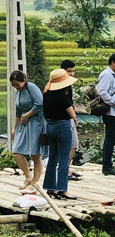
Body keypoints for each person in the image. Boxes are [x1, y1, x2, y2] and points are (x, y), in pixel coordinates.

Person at [42, 69, 78, 200]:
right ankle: (62, 189)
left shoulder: (46, 94)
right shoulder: (62, 96)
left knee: (52, 158)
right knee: (63, 159)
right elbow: (71, 112)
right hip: (62, 127)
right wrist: (74, 116)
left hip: (50, 127)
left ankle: (50, 187)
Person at [8, 70, 44, 193]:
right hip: (23, 123)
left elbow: (40, 104)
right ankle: (28, 176)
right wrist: (14, 127)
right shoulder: (17, 93)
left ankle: (35, 181)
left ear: (24, 81)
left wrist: (28, 115)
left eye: (17, 84)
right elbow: (18, 112)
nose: (16, 87)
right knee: (16, 151)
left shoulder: (31, 88)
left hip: (35, 122)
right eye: (13, 85)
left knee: (35, 154)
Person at [97, 53, 115, 176]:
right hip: (110, 111)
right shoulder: (106, 75)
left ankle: (108, 164)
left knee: (113, 137)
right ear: (113, 63)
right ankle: (107, 166)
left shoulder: (113, 75)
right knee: (110, 138)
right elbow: (102, 92)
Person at [60, 59, 81, 181]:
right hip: (64, 120)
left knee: (73, 144)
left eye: (73, 71)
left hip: (69, 117)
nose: (72, 74)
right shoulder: (59, 87)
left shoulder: (69, 85)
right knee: (70, 144)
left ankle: (67, 168)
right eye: (69, 71)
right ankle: (64, 170)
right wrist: (72, 115)